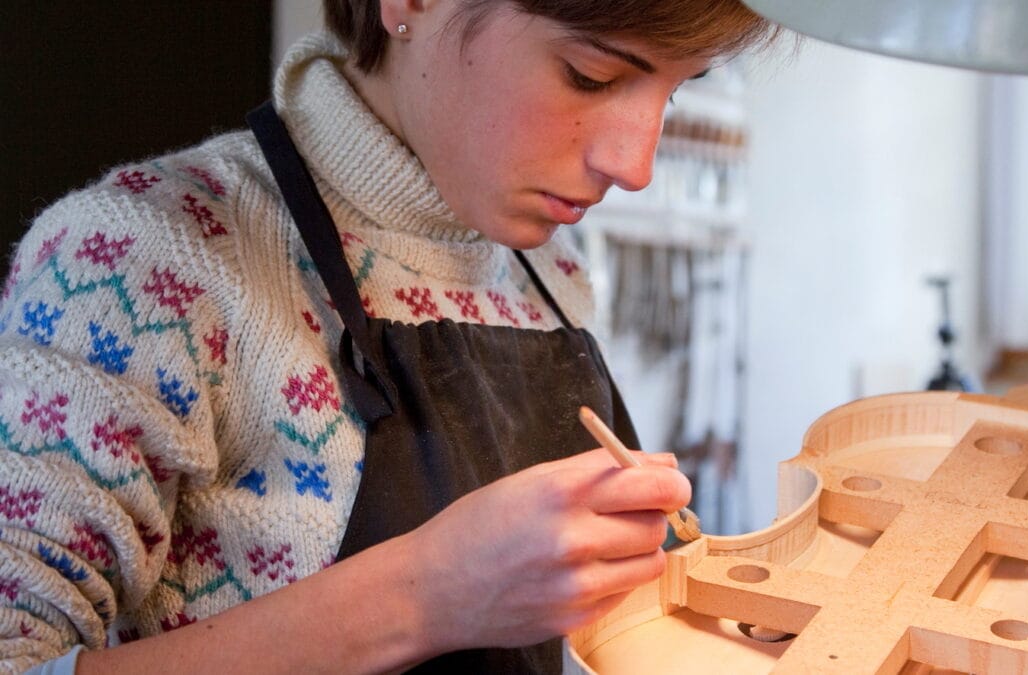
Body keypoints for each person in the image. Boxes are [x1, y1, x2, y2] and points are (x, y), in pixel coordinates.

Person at [0, 1, 779, 672]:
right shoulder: (140, 258)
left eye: (675, 90)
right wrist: (426, 594)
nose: (635, 165)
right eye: (591, 75)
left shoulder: (549, 268)